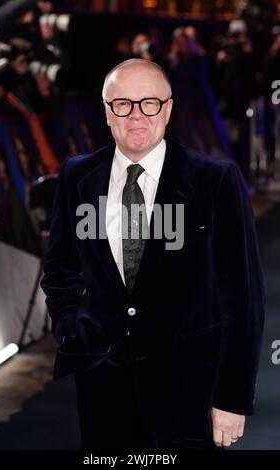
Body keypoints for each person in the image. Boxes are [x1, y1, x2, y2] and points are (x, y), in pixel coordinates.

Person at [41, 58, 265, 451]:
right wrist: (69, 329)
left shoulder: (215, 180)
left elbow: (243, 299)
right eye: (123, 104)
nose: (136, 116)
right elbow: (60, 268)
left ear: (168, 108)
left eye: (149, 103)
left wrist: (232, 397)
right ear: (107, 111)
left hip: (190, 389)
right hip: (102, 384)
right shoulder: (77, 176)